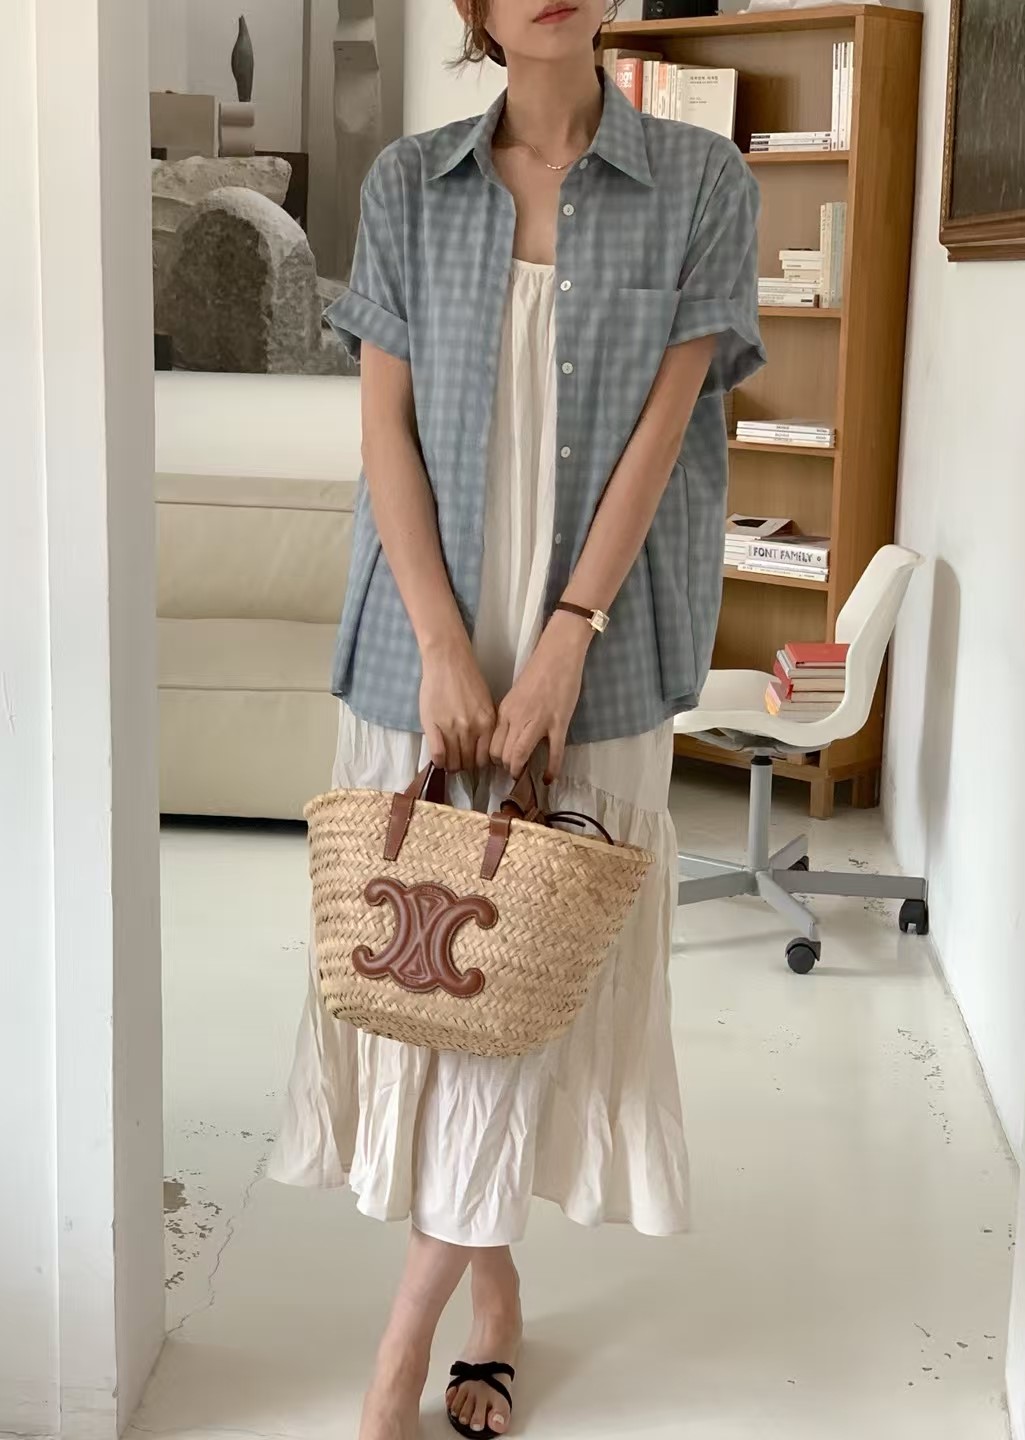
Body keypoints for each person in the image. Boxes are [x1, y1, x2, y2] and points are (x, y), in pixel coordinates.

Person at [269, 1, 763, 1435]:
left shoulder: (701, 182)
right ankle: (493, 1303)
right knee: (434, 985)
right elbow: (384, 430)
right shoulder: (407, 184)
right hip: (423, 644)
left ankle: (400, 1355)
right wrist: (442, 643)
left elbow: (667, 435)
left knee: (523, 993)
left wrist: (565, 642)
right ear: (472, 9)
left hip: (591, 656)